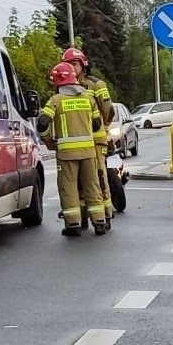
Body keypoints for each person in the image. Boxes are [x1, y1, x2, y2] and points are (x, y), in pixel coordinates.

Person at [38, 62, 107, 237]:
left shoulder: (56, 101)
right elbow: (97, 124)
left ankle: (73, 224)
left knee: (68, 188)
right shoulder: (88, 99)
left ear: (58, 81)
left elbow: (42, 122)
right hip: (89, 152)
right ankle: (99, 222)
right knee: (92, 186)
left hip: (66, 155)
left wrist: (47, 140)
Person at [62, 48, 115, 228]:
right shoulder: (65, 86)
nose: (71, 68)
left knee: (98, 177)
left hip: (95, 140)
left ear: (83, 65)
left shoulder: (96, 84)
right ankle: (82, 216)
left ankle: (105, 215)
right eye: (68, 65)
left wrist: (103, 128)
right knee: (78, 182)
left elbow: (109, 110)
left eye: (74, 64)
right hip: (77, 143)